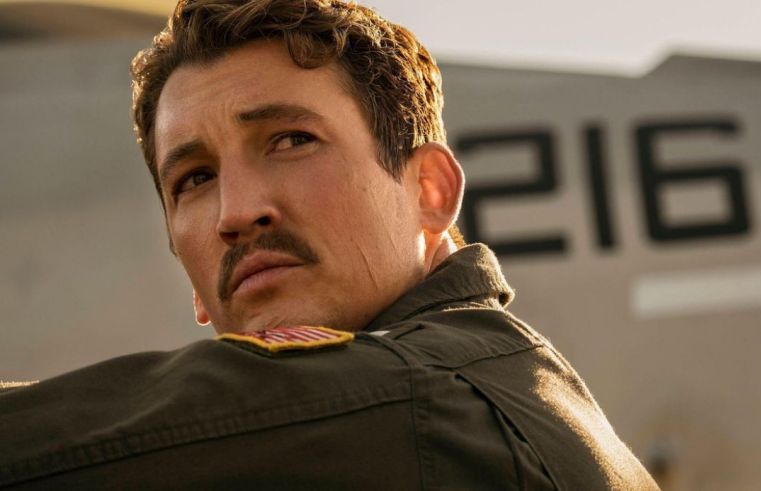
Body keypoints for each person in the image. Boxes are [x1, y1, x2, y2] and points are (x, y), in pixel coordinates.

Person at [0, 0, 658, 488]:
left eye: (291, 140)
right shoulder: (507, 386)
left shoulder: (418, 400)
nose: (237, 212)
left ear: (429, 187)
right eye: (194, 178)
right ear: (194, 285)